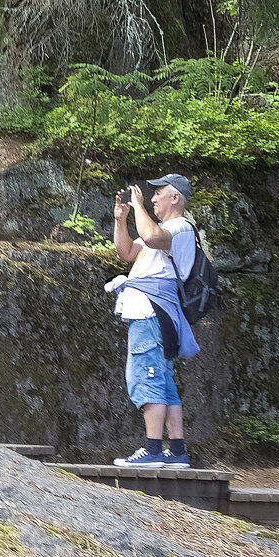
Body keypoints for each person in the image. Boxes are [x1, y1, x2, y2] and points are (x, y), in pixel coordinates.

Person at [104, 173, 200, 469]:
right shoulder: (163, 230)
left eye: (159, 193)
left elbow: (148, 237)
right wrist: (121, 220)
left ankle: (154, 450)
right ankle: (178, 452)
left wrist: (139, 206)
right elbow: (126, 252)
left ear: (175, 198)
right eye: (151, 194)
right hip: (155, 314)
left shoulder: (179, 228)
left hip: (153, 315)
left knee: (146, 378)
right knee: (164, 384)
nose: (153, 197)